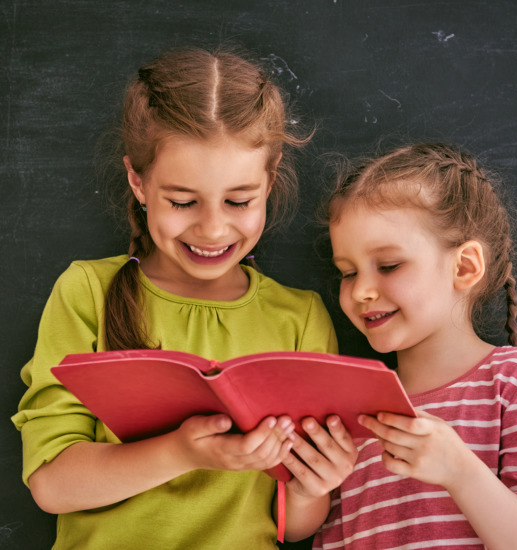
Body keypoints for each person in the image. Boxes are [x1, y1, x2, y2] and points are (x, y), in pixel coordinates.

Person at [11, 47, 357, 550]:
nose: (213, 228)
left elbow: (295, 527)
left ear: (271, 181)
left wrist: (313, 483)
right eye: (182, 201)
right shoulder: (88, 291)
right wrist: (184, 452)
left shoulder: (300, 318)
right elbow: (52, 484)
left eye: (239, 201)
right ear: (138, 181)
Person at [314, 142, 517, 549]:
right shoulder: (351, 411)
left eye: (388, 265)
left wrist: (459, 471)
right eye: (348, 273)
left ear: (464, 267)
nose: (362, 292)